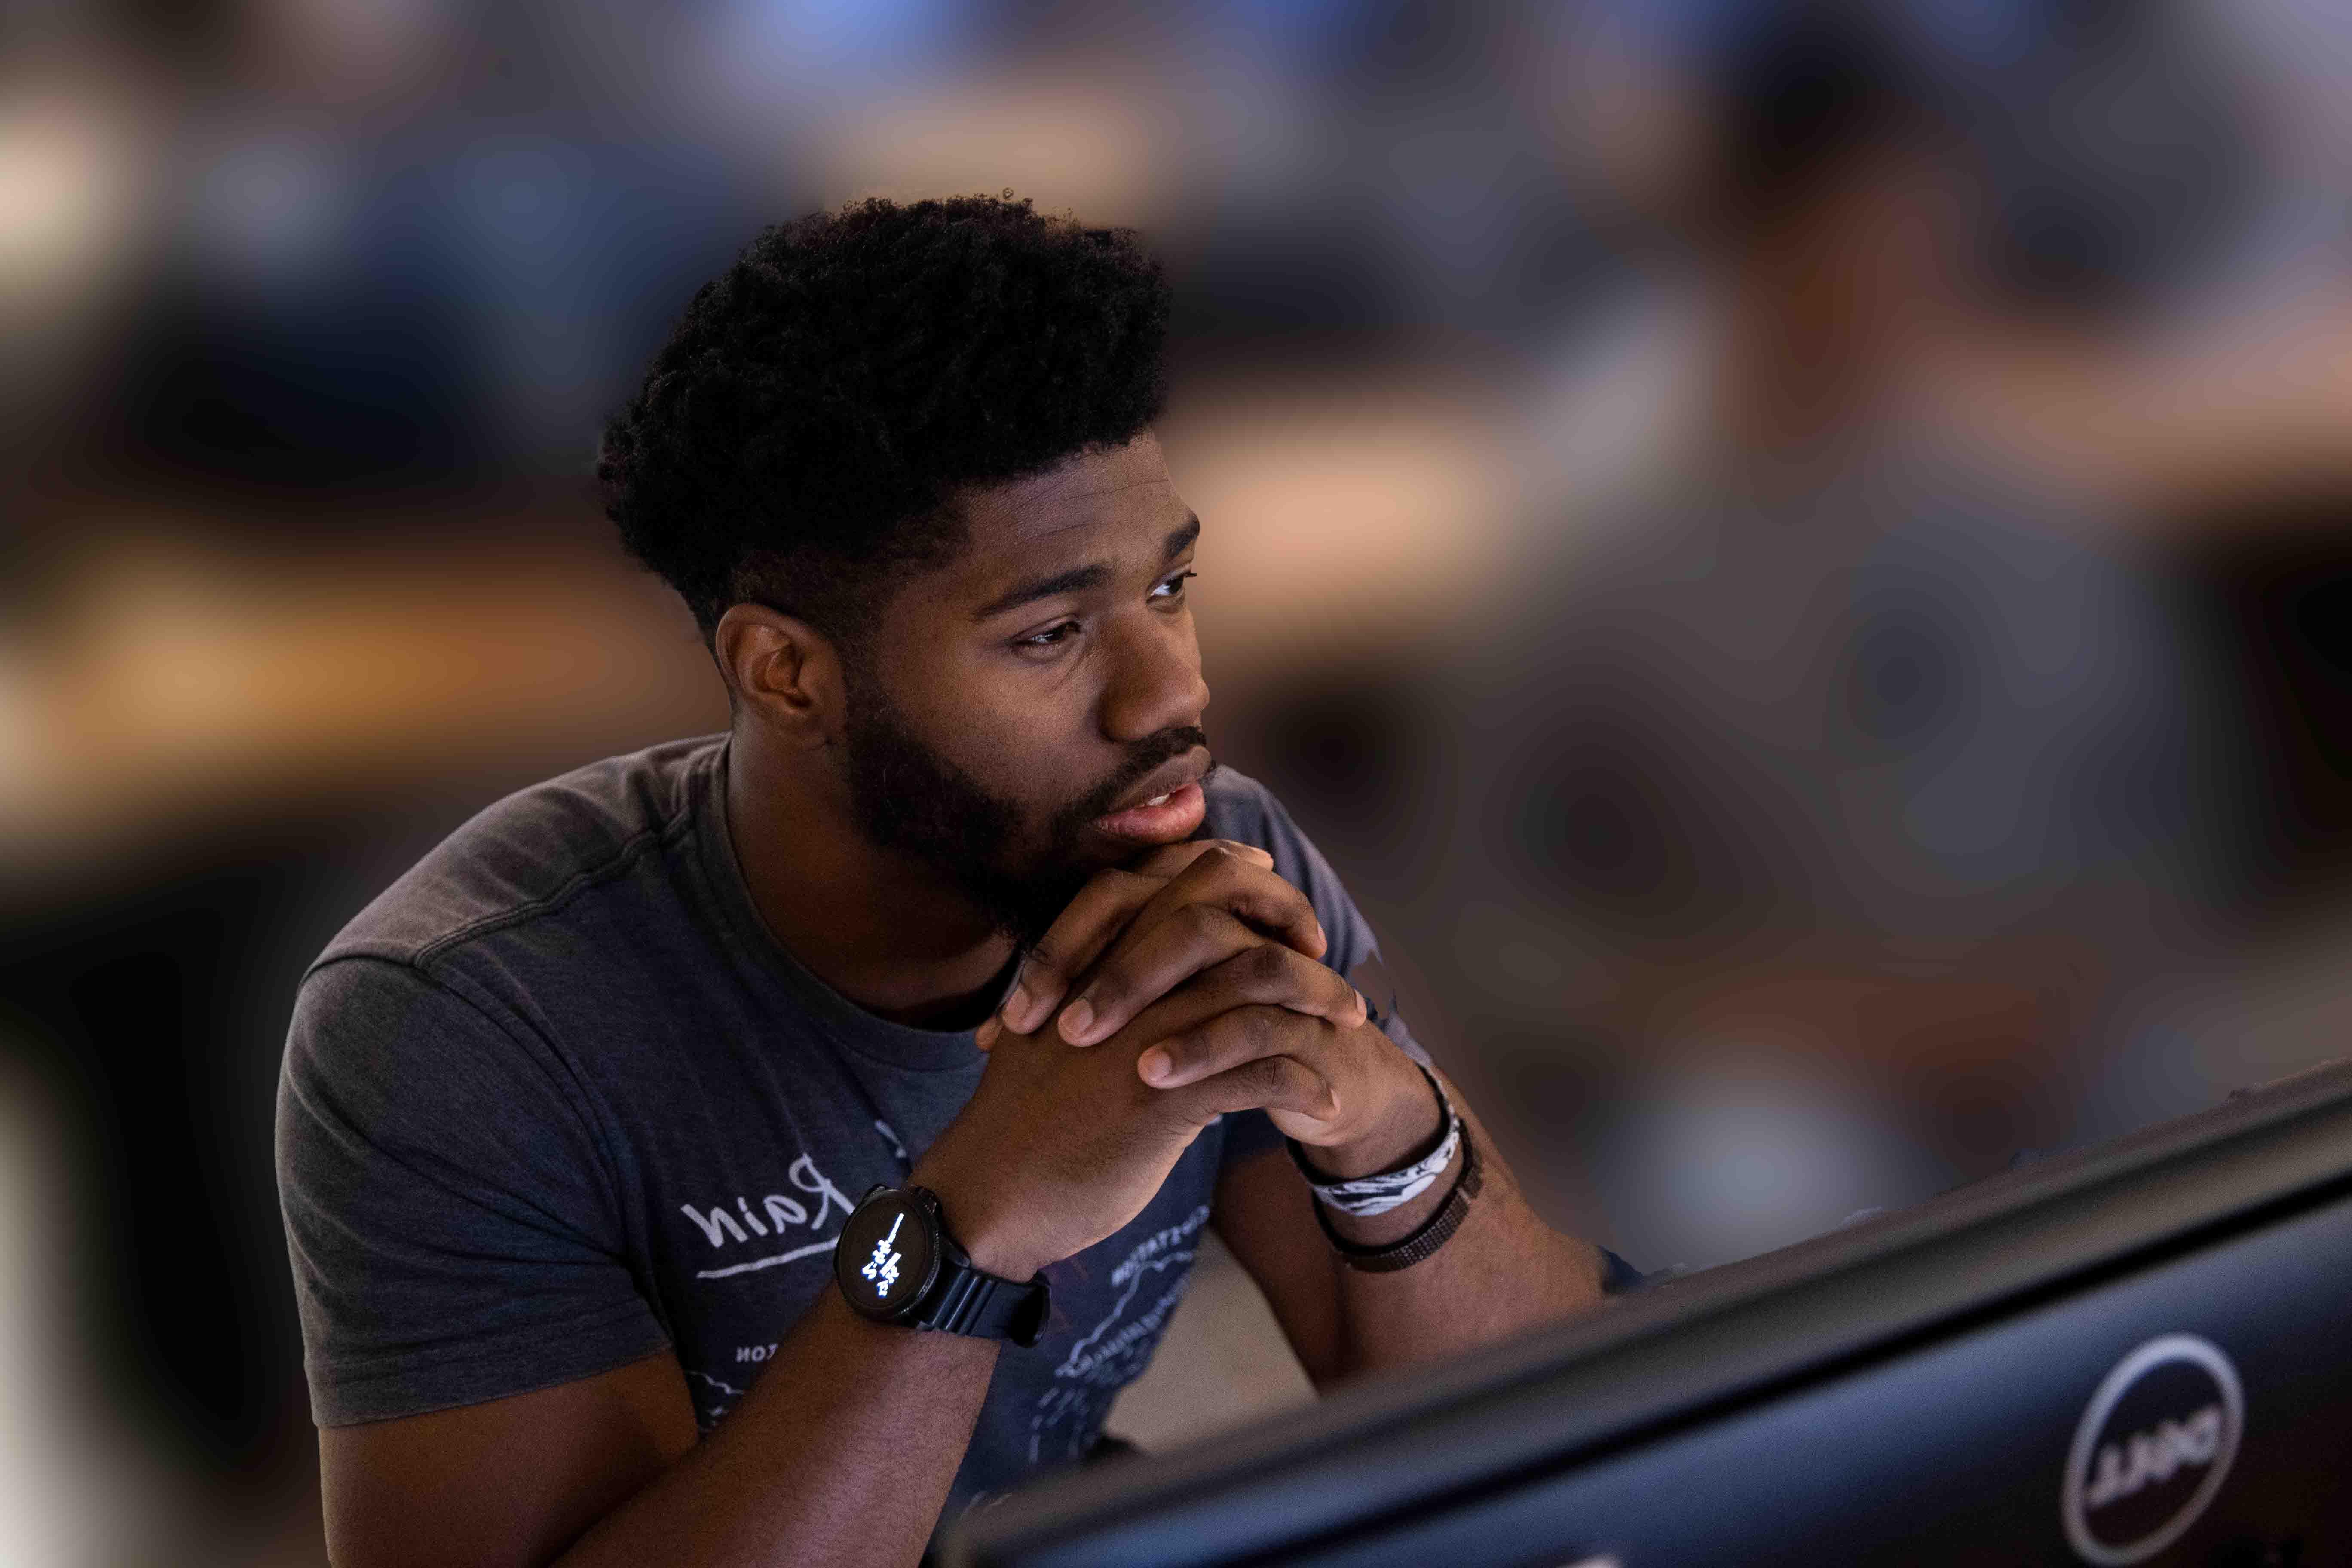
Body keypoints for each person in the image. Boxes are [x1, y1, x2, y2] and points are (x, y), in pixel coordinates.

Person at [275, 194, 1621, 1568]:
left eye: (1170, 588)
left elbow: (1565, 1461)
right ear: (788, 674)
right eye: (1049, 634)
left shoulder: (1212, 866)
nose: (1177, 692)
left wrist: (1390, 1132)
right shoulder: (468, 1023)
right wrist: (972, 1225)